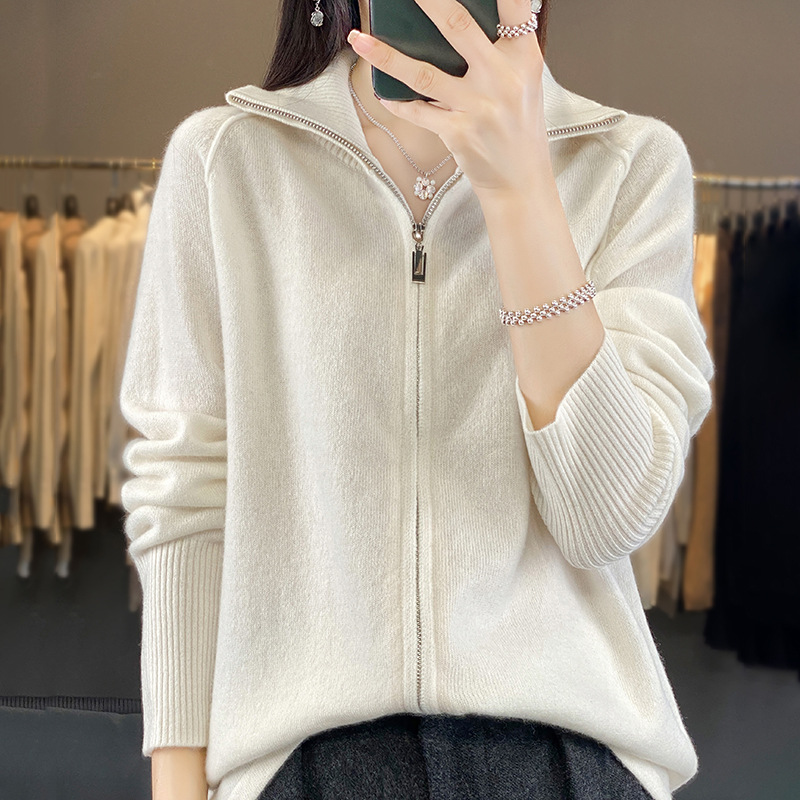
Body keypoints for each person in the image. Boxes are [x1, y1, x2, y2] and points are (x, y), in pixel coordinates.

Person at [118, 0, 714, 798]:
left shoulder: (630, 165)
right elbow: (187, 497)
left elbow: (605, 519)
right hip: (306, 764)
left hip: (568, 760)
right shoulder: (225, 162)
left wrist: (521, 190)